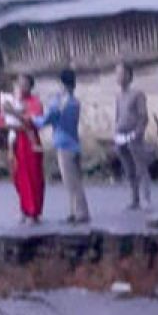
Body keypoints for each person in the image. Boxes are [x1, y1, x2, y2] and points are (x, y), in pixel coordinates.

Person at [32, 68, 90, 224]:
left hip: (64, 146)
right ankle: (73, 212)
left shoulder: (59, 103)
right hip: (74, 143)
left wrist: (32, 119)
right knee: (75, 179)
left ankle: (81, 213)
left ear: (61, 83)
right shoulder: (74, 102)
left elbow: (45, 120)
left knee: (71, 182)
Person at [0, 74, 45, 224]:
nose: (22, 87)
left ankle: (34, 212)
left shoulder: (35, 102)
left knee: (33, 177)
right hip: (16, 141)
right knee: (18, 177)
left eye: (25, 84)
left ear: (31, 86)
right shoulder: (12, 101)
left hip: (30, 142)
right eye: (19, 83)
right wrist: (9, 121)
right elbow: (0, 120)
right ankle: (24, 209)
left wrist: (15, 113)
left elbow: (34, 121)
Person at [114, 62, 152, 210]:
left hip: (133, 136)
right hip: (121, 136)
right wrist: (116, 132)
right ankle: (134, 198)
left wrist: (138, 133)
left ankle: (146, 198)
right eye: (117, 74)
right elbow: (117, 116)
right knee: (128, 169)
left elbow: (143, 116)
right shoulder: (118, 96)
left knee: (140, 167)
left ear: (129, 76)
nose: (119, 77)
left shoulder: (137, 94)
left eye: (122, 74)